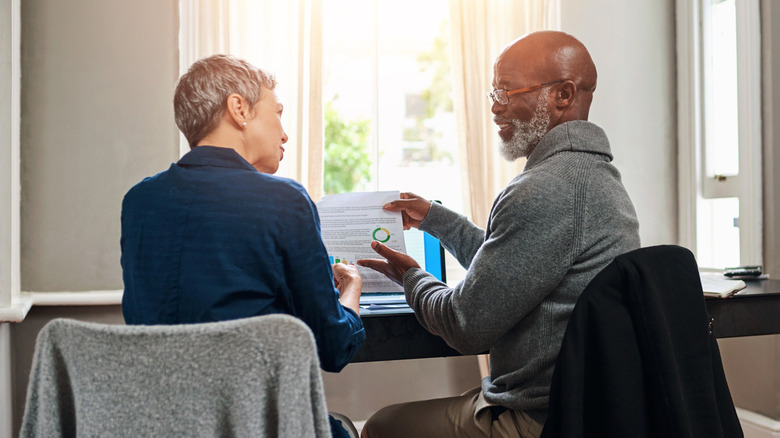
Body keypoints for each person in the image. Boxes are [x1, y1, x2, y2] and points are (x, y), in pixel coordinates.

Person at [357, 31, 641, 438]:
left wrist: (411, 278)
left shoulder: (545, 188)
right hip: (587, 404)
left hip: (543, 418)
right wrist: (436, 219)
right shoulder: (594, 178)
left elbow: (463, 323)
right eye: (494, 92)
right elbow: (509, 272)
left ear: (562, 95)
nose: (494, 106)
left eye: (507, 91)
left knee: (382, 426)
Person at [120, 54, 364, 438]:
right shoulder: (285, 200)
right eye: (278, 113)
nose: (284, 134)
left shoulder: (139, 201)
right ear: (238, 109)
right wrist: (351, 290)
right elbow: (332, 348)